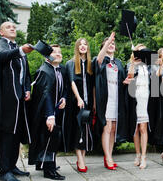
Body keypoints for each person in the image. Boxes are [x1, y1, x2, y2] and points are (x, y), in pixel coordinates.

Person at [0, 22, 33, 181]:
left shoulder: (19, 49)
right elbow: (0, 57)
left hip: (20, 98)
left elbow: (26, 74)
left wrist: (27, 88)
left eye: (14, 26)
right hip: (5, 98)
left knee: (17, 132)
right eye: (8, 27)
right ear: (1, 32)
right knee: (7, 133)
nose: (12, 28)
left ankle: (13, 165)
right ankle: (4, 170)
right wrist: (20, 51)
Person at [28, 45, 67, 180]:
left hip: (55, 110)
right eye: (54, 52)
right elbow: (45, 95)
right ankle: (49, 170)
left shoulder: (59, 70)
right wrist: (50, 115)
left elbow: (64, 87)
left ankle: (44, 164)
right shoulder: (44, 71)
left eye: (59, 52)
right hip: (46, 113)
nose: (58, 54)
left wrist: (64, 98)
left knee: (50, 139)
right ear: (47, 56)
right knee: (49, 140)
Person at [93, 33, 128, 170]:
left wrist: (127, 81)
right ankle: (107, 157)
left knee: (113, 128)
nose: (111, 44)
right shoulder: (101, 59)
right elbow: (98, 61)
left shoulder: (118, 62)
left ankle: (110, 155)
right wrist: (109, 40)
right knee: (106, 128)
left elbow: (122, 80)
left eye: (113, 43)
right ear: (104, 47)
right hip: (105, 98)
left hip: (116, 98)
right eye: (108, 43)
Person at [63, 38, 94, 172]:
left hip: (88, 102)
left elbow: (92, 85)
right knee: (78, 130)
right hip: (76, 102)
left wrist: (94, 103)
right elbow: (72, 82)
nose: (83, 46)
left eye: (85, 44)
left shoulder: (90, 64)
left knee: (86, 130)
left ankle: (82, 157)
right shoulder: (71, 63)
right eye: (80, 45)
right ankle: (80, 159)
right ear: (77, 48)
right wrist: (79, 98)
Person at [123, 44, 151, 169]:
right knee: (135, 127)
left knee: (143, 127)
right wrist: (134, 63)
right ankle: (138, 154)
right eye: (139, 51)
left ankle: (144, 156)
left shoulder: (149, 65)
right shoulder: (130, 64)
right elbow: (129, 77)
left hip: (146, 96)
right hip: (135, 96)